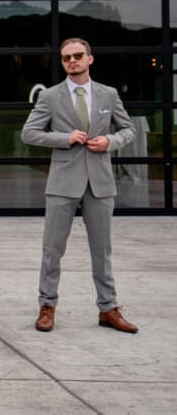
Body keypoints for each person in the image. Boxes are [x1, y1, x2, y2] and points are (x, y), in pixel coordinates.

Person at [20, 38, 138, 333]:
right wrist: (64, 138)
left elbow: (128, 129)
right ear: (62, 63)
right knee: (52, 250)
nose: (72, 61)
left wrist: (111, 141)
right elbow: (29, 133)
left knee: (102, 250)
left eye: (77, 56)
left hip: (100, 184)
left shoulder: (108, 95)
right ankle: (47, 306)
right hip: (62, 183)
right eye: (66, 58)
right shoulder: (49, 96)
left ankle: (108, 308)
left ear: (89, 59)